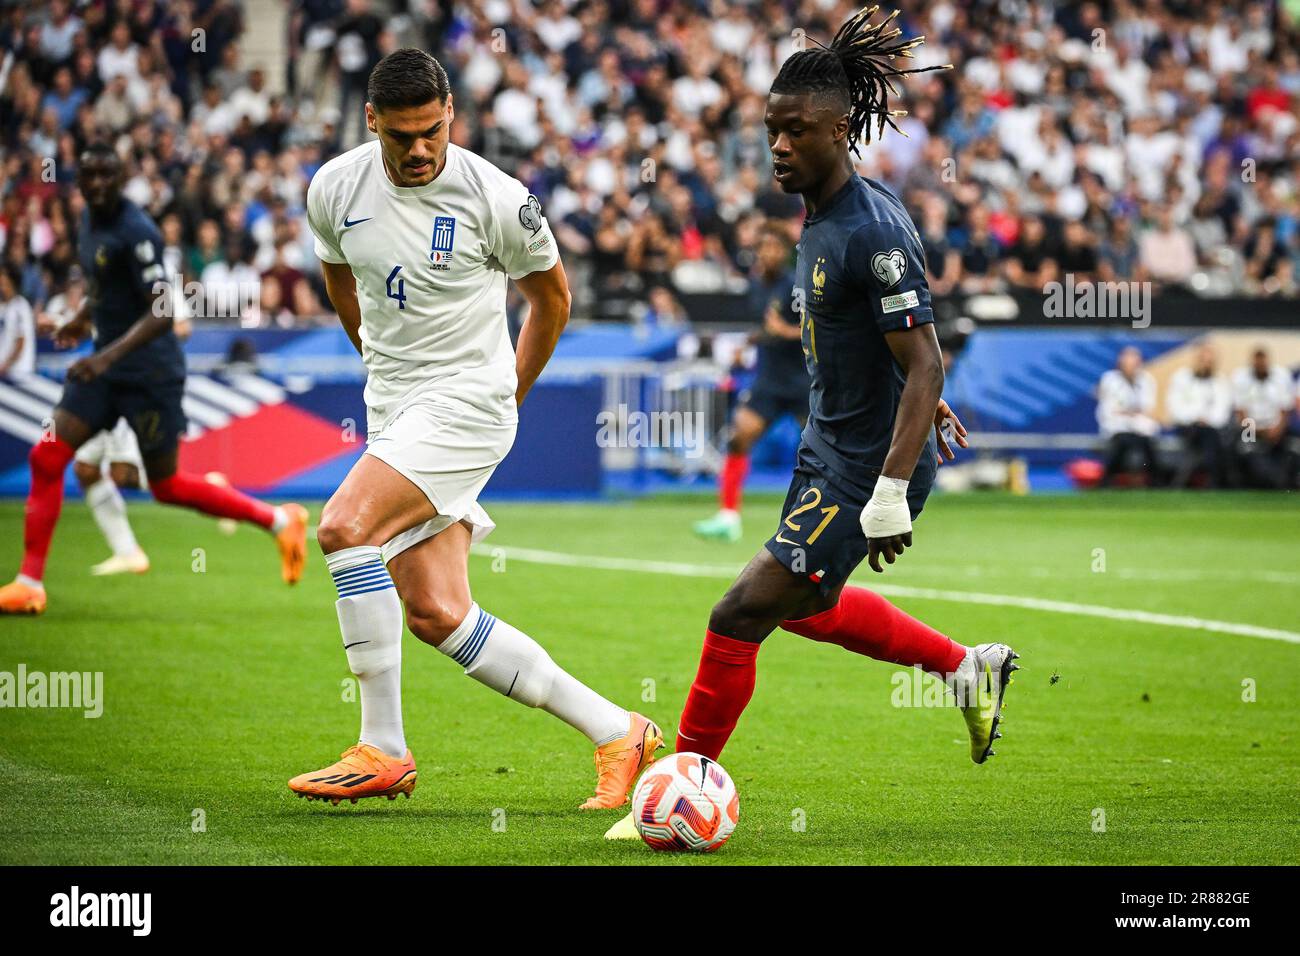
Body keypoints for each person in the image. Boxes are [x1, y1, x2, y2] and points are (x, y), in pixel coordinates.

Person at [609, 6, 1016, 839]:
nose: (779, 147)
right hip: (829, 445)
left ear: (841, 131)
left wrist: (891, 491)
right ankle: (965, 669)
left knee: (738, 614)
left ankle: (676, 790)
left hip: (867, 468)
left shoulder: (871, 229)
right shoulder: (823, 215)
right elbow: (892, 345)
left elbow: (928, 359)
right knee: (806, 607)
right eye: (772, 131)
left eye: (797, 132)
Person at [291, 49, 661, 810]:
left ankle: (382, 748)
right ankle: (620, 731)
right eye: (402, 136)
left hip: (466, 402)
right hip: (396, 407)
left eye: (432, 130)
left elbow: (551, 299)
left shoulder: (496, 197)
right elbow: (337, 273)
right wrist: (375, 359)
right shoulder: (333, 188)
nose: (420, 148)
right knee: (436, 612)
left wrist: (509, 393)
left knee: (342, 527)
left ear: (452, 111)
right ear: (372, 123)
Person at [0, 143, 308, 616]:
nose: (99, 184)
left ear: (122, 178)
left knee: (164, 485)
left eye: (108, 175)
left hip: (150, 374)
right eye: (90, 176)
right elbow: (107, 287)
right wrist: (83, 320)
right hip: (107, 369)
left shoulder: (136, 230)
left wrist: (102, 359)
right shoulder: (88, 223)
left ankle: (277, 519)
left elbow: (163, 309)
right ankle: (29, 583)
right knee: (47, 456)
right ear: (78, 183)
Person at [695, 221, 809, 542]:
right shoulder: (757, 288)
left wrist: (784, 332)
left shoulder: (798, 285)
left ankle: (827, 517)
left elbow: (819, 329)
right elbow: (768, 329)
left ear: (785, 253)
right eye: (764, 247)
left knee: (821, 451)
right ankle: (728, 517)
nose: (769, 253)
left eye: (775, 247)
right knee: (738, 437)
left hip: (804, 382)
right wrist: (750, 343)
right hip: (770, 382)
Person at [1231, 347, 1298, 489]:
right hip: (1250, 428)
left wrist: (1277, 429)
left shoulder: (1280, 376)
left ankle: (1285, 481)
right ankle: (1272, 481)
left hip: (1276, 428)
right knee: (1246, 449)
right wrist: (1258, 431)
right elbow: (1240, 411)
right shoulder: (1241, 378)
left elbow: (1285, 409)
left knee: (1293, 446)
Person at [1166, 343, 1232, 488]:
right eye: (1202, 360)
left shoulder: (1220, 381)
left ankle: (1181, 483)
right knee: (1208, 437)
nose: (1205, 364)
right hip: (1186, 427)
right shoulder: (1181, 378)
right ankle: (1214, 481)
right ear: (1196, 360)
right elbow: (1175, 408)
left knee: (1209, 435)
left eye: (1209, 362)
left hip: (1212, 429)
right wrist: (1195, 418)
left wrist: (1207, 421)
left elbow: (1222, 412)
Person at [1097, 346, 1161, 486]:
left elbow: (1147, 408)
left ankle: (1155, 483)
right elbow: (1108, 410)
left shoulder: (1146, 380)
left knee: (1146, 444)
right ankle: (1107, 482)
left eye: (1135, 363)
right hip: (1117, 428)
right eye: (1128, 363)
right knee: (1122, 442)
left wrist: (1128, 413)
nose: (1131, 367)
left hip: (1140, 429)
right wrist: (1130, 413)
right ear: (1120, 363)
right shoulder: (1109, 380)